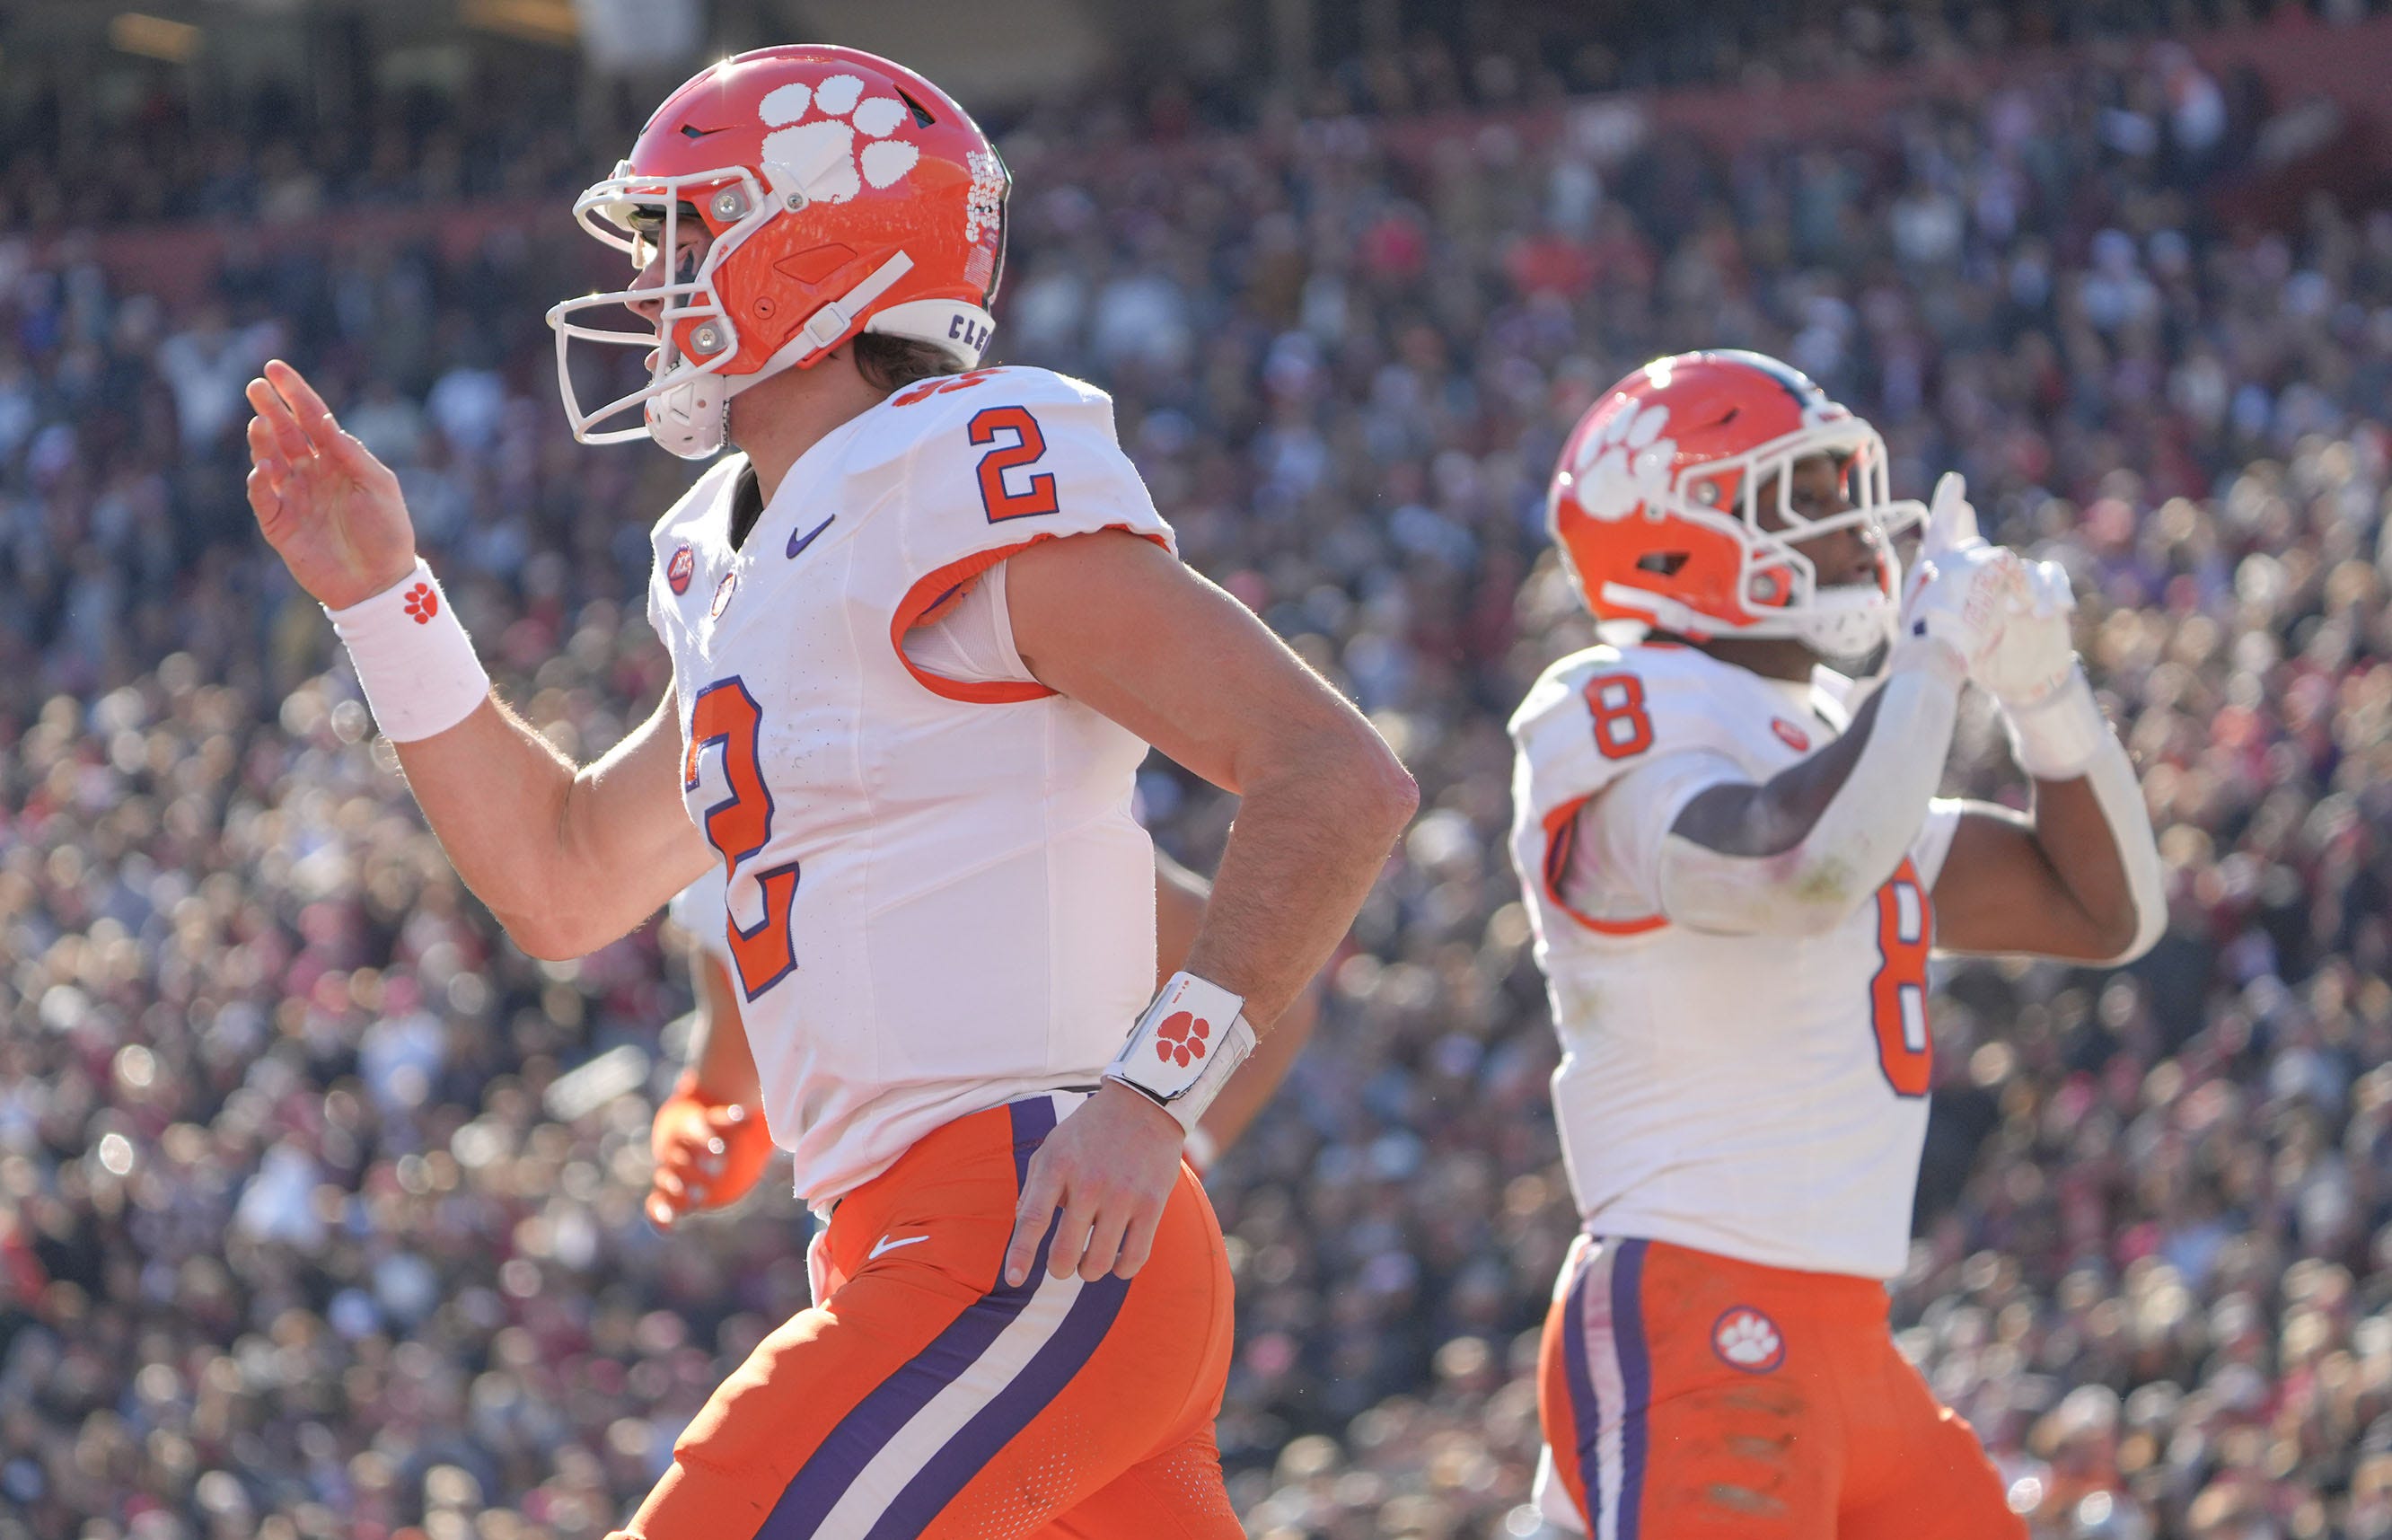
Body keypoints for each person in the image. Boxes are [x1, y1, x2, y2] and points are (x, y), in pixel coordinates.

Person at [242, 43, 1414, 1540]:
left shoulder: (951, 475)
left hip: (1014, 1228)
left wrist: (1150, 1093)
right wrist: (382, 599)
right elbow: (565, 875)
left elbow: (1333, 775)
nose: (655, 286)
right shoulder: (742, 558)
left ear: (825, 241)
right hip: (929, 1238)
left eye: (687, 234)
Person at [1505, 351, 2166, 1538]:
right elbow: (1788, 867)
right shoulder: (1612, 704)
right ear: (1671, 535)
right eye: (1799, 495)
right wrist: (1925, 661)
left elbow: (2100, 909)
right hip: (1700, 1307)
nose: (1852, 524)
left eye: (1844, 484)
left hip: (1847, 1334)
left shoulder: (1829, 744)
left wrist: (2044, 689)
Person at [646, 851, 1325, 1228]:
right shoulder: (731, 846)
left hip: (1056, 1247)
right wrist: (697, 1136)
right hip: (891, 1254)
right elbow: (729, 1093)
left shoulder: (998, 791)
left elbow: (1269, 991)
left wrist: (1156, 1134)